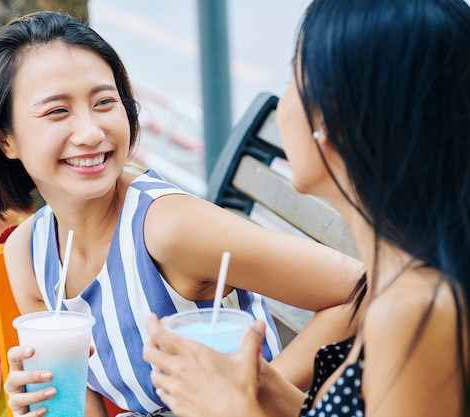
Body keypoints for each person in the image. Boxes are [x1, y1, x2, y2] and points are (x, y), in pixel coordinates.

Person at [0, 10, 366, 417]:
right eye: (57, 111)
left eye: (104, 102)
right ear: (6, 140)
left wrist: (250, 389)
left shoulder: (167, 228)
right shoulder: (28, 254)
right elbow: (79, 402)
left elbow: (366, 290)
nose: (90, 132)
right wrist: (45, 405)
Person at [143, 0, 470, 416]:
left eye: (292, 78)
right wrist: (264, 389)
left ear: (332, 116)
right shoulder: (407, 279)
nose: (284, 103)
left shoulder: (418, 312)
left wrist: (228, 407)